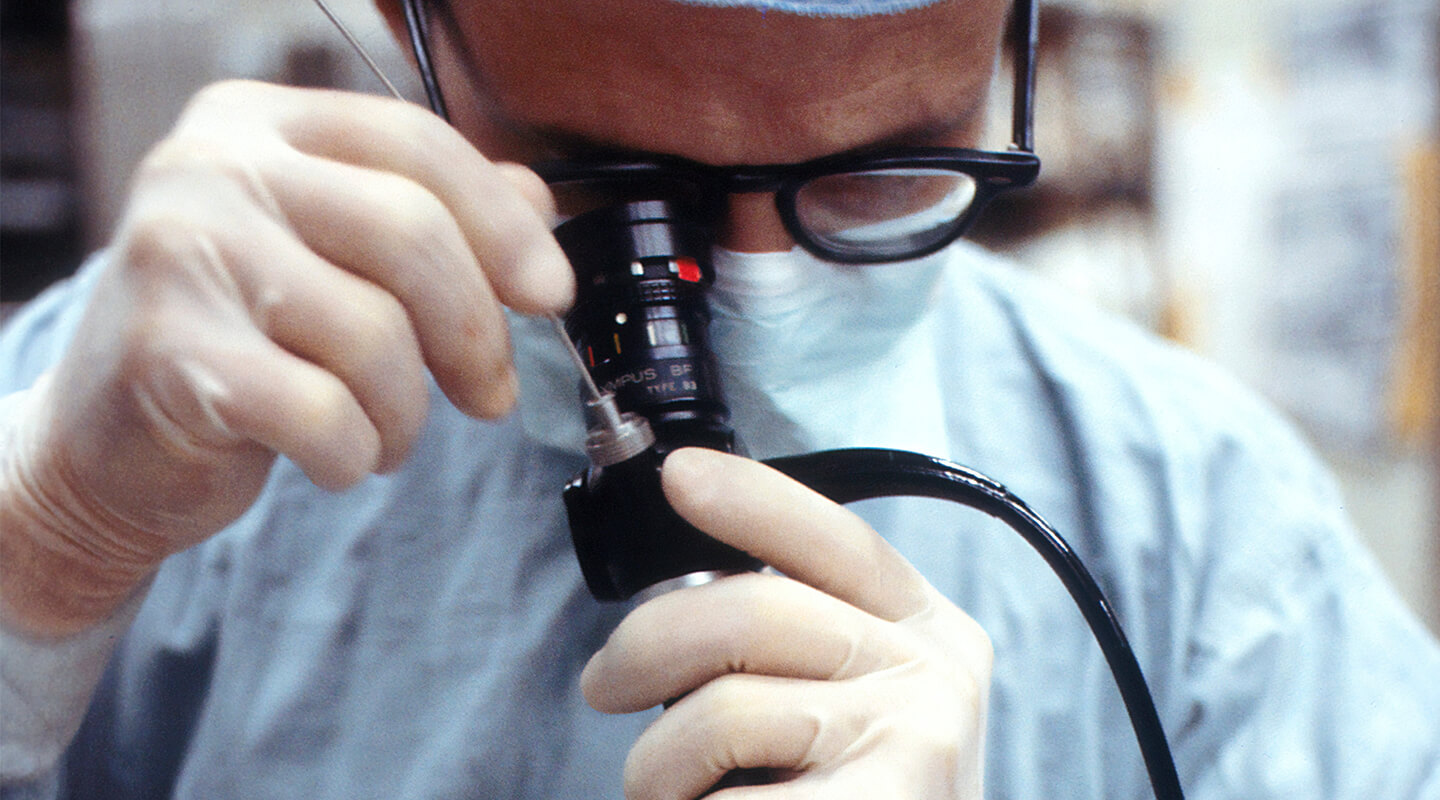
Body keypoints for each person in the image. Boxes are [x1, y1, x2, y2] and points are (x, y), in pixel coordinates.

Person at [2, 0, 1438, 797]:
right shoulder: (128, 418)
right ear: (402, 23)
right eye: (612, 183)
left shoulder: (1210, 544)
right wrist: (45, 557)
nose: (751, 294)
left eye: (885, 168)